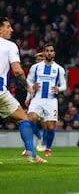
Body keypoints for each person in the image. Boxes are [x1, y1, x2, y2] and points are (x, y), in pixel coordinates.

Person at [0, 17, 47, 163]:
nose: (12, 30)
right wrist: (27, 85)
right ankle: (32, 155)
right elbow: (17, 71)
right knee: (23, 119)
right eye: (8, 27)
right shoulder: (9, 45)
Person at [26, 43, 67, 157]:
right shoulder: (35, 67)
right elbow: (28, 81)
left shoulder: (59, 69)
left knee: (50, 127)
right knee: (30, 118)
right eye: (47, 51)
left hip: (51, 100)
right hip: (38, 98)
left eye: (51, 51)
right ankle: (36, 140)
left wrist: (59, 88)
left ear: (54, 53)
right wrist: (32, 86)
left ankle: (48, 148)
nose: (49, 52)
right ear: (44, 53)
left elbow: (64, 86)